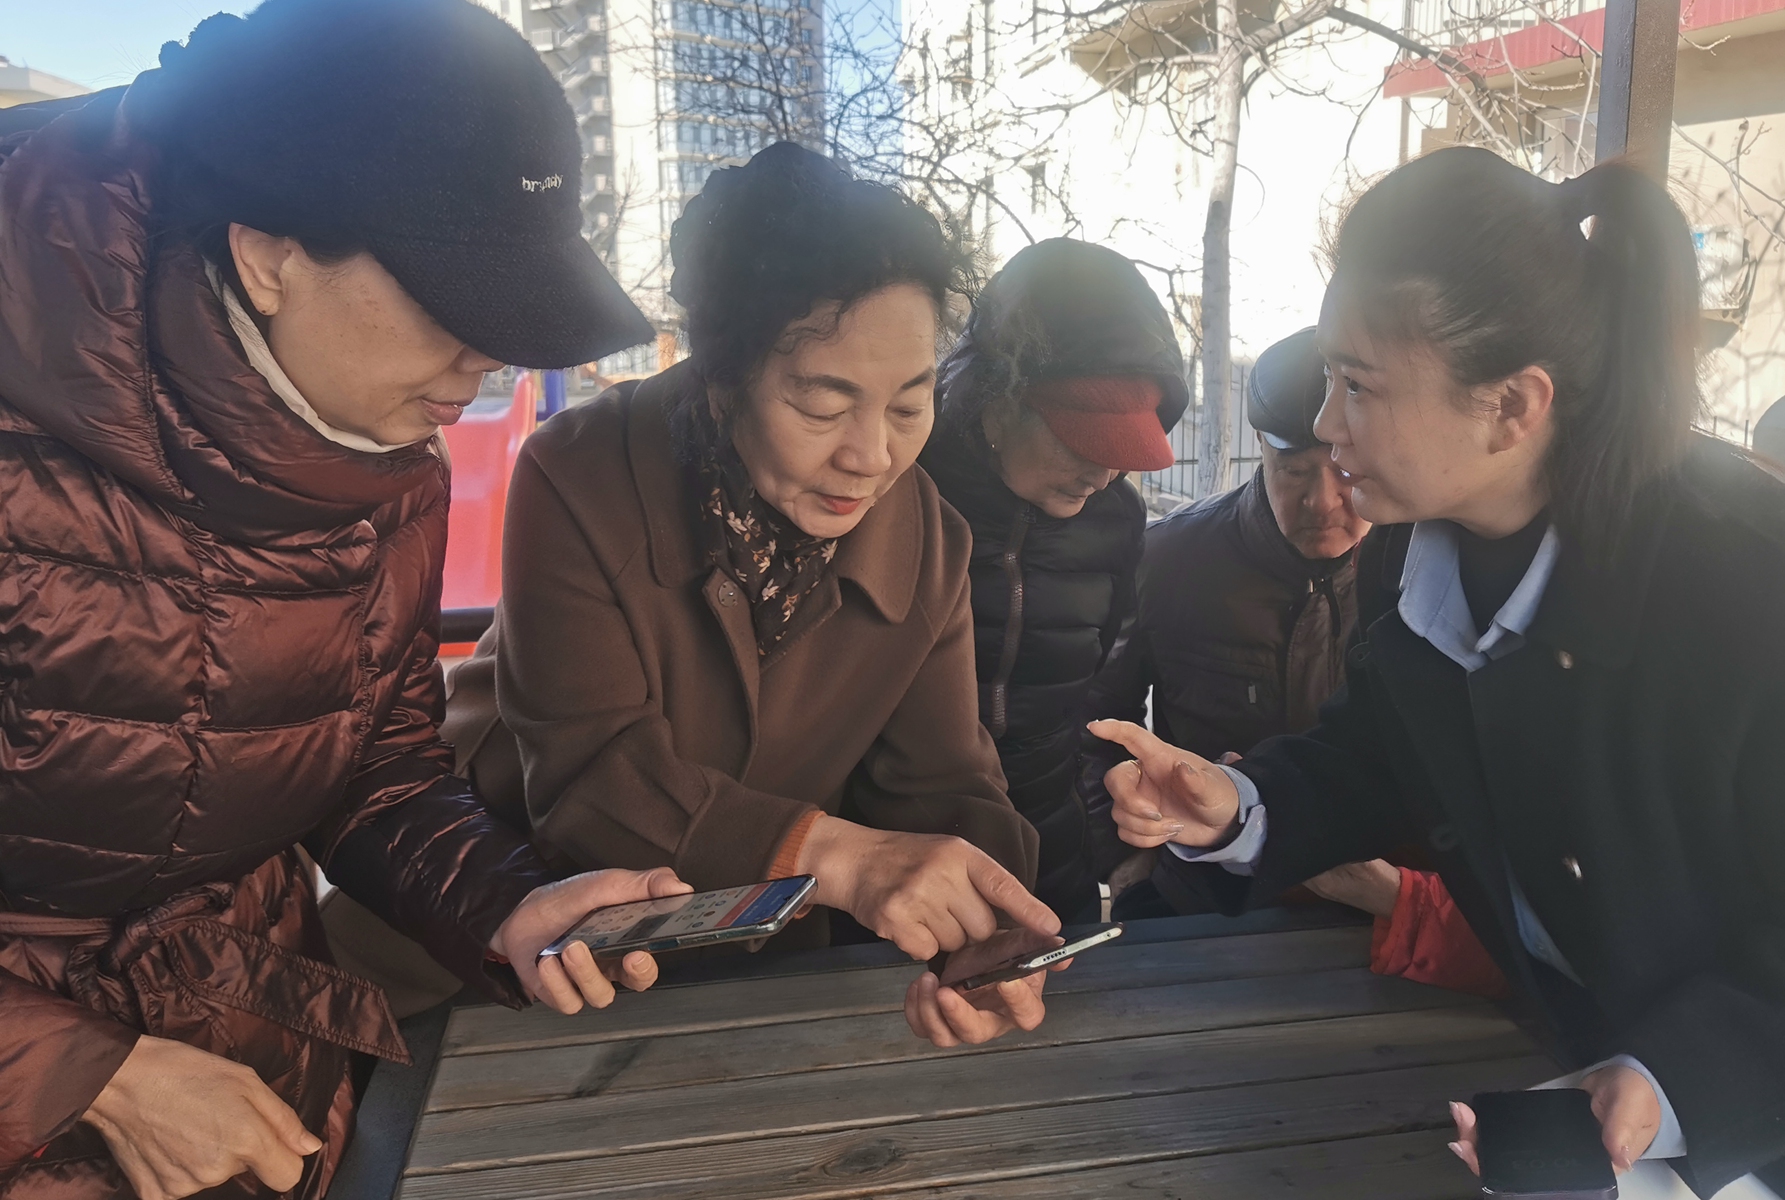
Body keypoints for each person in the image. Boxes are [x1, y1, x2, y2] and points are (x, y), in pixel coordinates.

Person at [1095, 148, 1785, 1200]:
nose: (1327, 425)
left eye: (1358, 385)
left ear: (1511, 406)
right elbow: (1384, 748)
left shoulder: (1770, 591)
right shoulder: (1420, 543)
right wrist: (1238, 804)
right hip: (1610, 1095)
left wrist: (1667, 1085)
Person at [0, 4, 697, 1198]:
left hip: (254, 1076)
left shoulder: (390, 468)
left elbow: (373, 762)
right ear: (269, 252)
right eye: (452, 297)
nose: (489, 361)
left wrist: (506, 905)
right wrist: (89, 1075)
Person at [442, 143, 1062, 1051]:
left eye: (908, 405)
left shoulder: (927, 534)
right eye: (823, 405)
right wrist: (843, 858)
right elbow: (592, 778)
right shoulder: (576, 474)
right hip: (529, 936)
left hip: (760, 958)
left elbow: (944, 782)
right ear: (723, 379)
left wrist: (987, 937)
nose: (872, 456)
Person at [1080, 327, 1506, 998]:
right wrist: (1128, 852)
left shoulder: (1422, 568)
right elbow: (1098, 725)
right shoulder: (1169, 559)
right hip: (1203, 901)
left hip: (1382, 917)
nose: (1322, 503)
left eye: (1341, 473)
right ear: (1260, 453)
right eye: (1295, 472)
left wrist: (1414, 900)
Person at [920, 238, 1188, 924]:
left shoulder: (1116, 520)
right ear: (999, 403)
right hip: (910, 860)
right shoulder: (899, 493)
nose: (1102, 474)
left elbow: (1098, 704)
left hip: (1050, 855)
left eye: (1122, 453)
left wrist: (1111, 843)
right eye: (1083, 441)